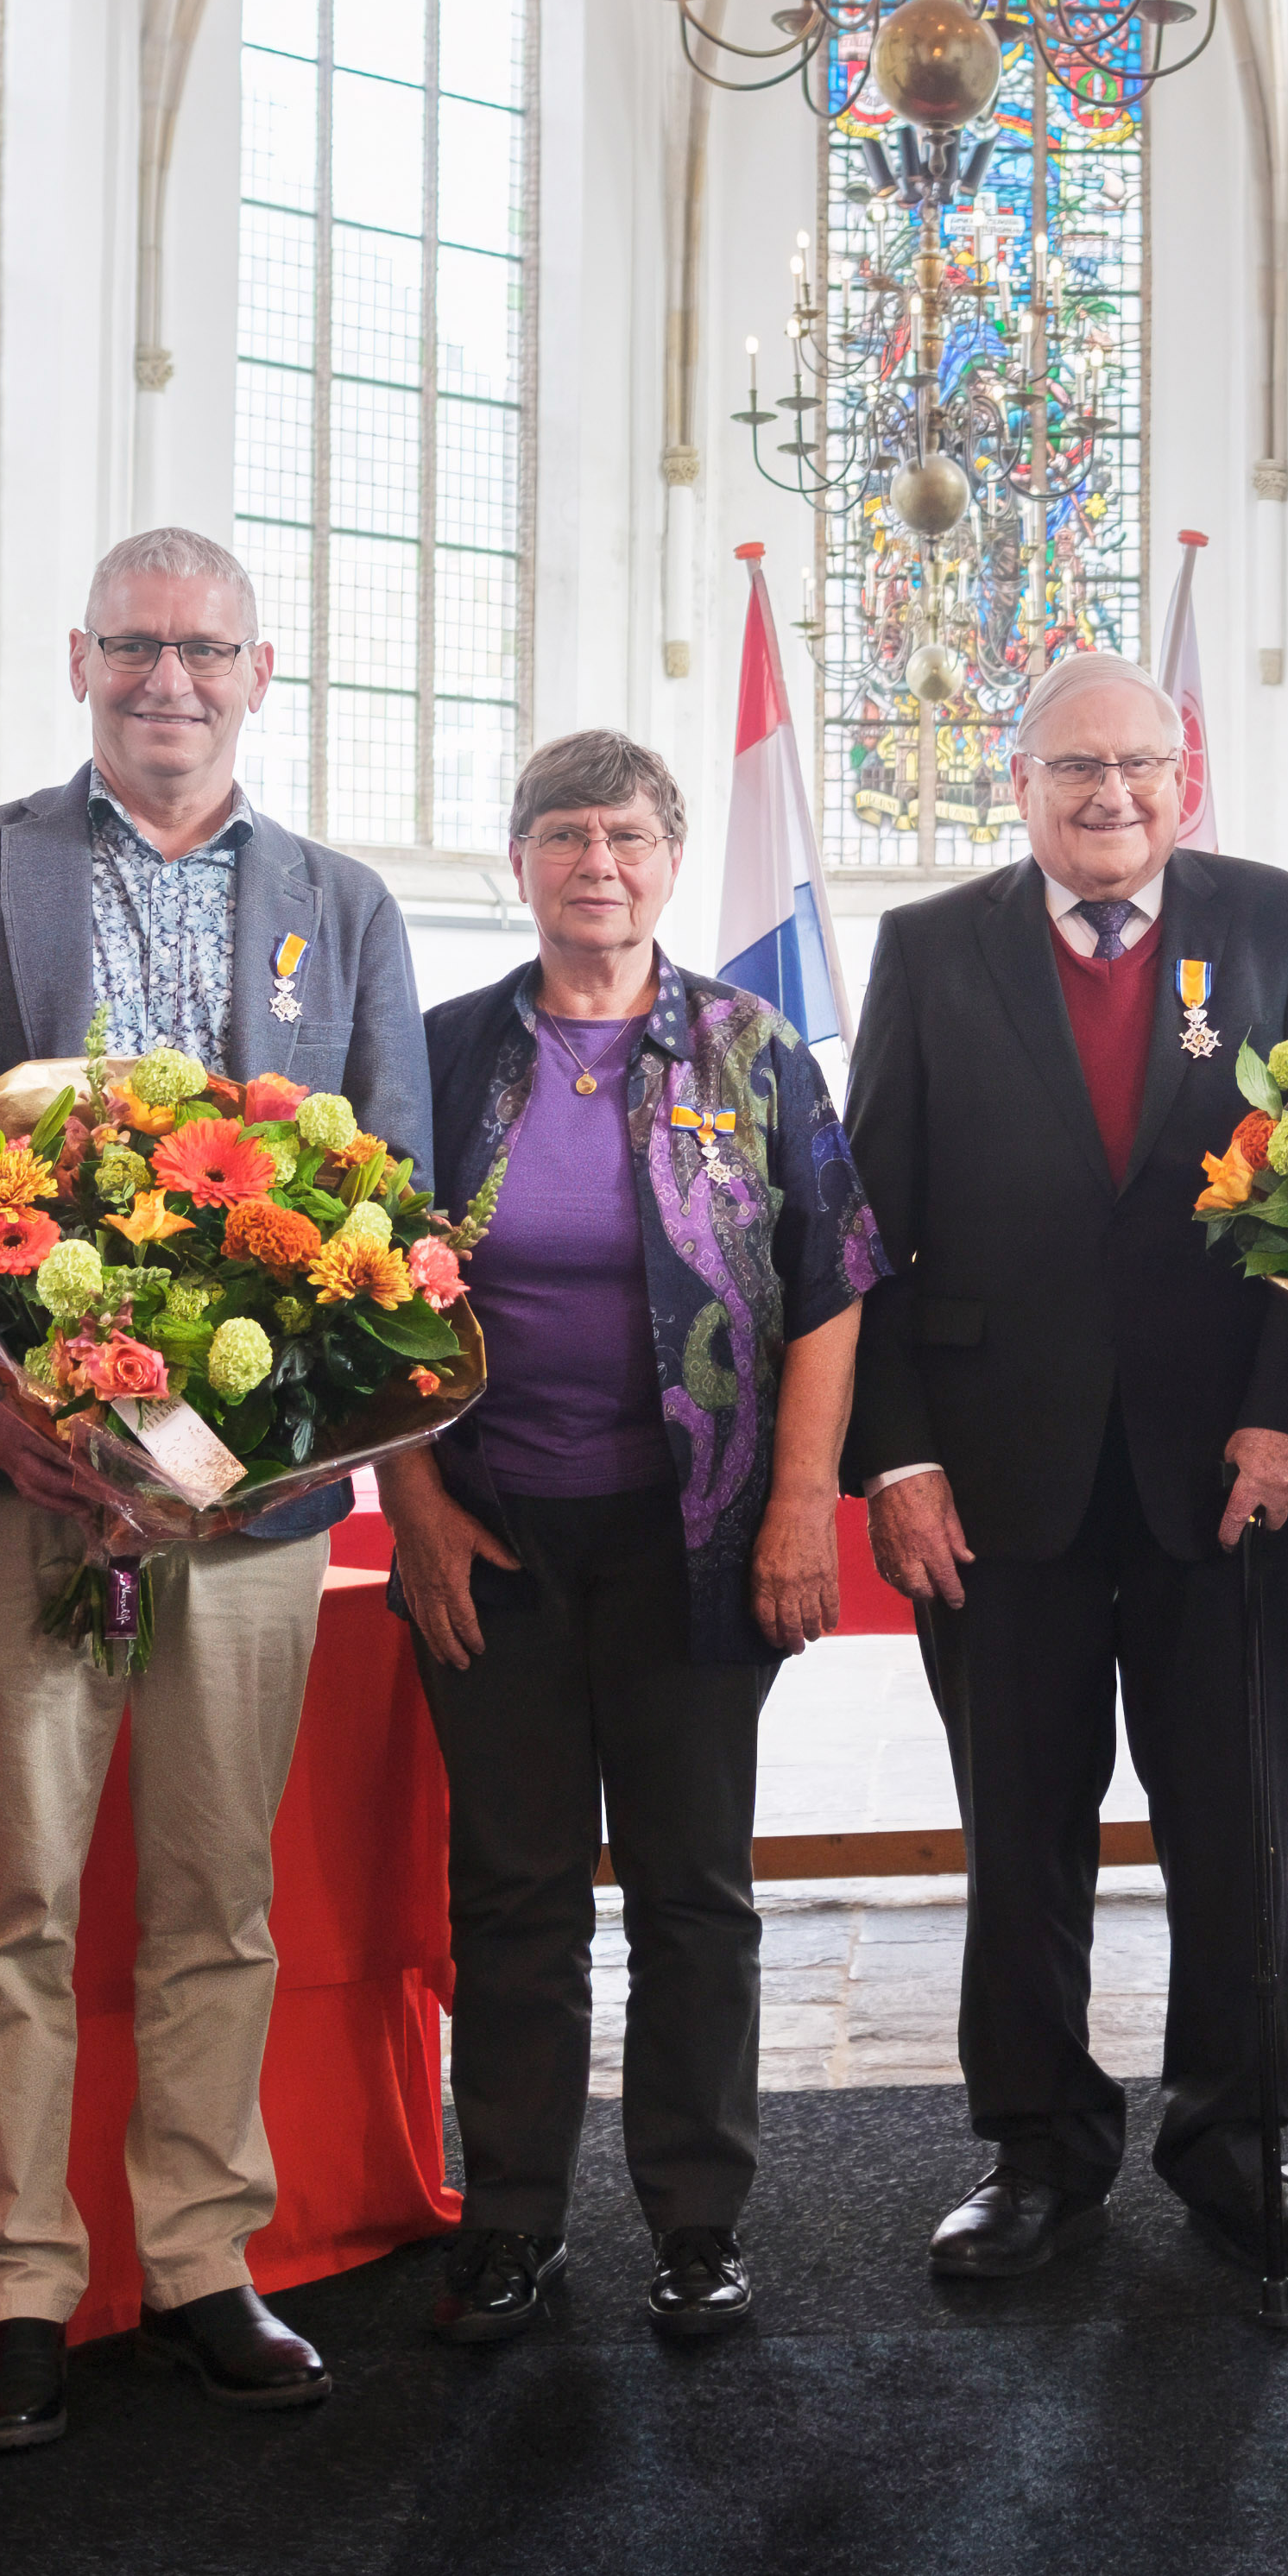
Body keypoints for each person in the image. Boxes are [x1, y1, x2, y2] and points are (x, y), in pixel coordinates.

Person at [0, 526, 431, 2455]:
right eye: (132, 647)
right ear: (77, 659)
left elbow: (397, 1211)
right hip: (15, 1477)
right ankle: (11, 2283)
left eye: (204, 650)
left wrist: (270, 1449)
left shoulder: (341, 906)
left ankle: (198, 2257)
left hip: (251, 1508)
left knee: (215, 1894)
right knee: (7, 1893)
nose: (166, 679)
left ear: (265, 673)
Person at [843, 651, 1288, 2279]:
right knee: (1021, 1833)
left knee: (1234, 1827)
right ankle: (1034, 2152)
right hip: (1000, 1487)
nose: (1111, 795)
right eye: (1075, 768)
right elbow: (873, 1228)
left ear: (1185, 774)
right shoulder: (930, 951)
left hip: (1229, 1469)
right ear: (1019, 784)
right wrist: (899, 1456)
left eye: (1140, 763)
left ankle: (1239, 2144)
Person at [374, 731, 882, 2347]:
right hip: (497, 1536)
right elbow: (359, 1295)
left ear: (671, 861)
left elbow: (832, 1282)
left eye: (630, 836)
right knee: (512, 1891)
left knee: (693, 1891)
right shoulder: (441, 1055)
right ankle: (513, 2219)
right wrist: (419, 1507)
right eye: (564, 834)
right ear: (517, 860)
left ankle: (696, 2218)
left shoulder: (750, 1048)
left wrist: (801, 1506)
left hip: (703, 1538)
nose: (598, 862)